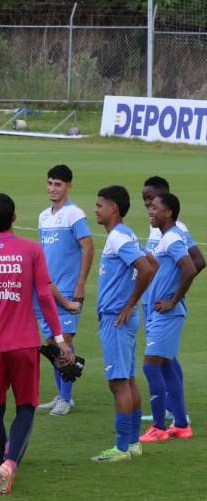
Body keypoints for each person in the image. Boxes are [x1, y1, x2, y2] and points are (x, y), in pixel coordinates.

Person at [0, 194, 74, 495]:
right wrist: (59, 339)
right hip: (24, 344)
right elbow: (44, 296)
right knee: (25, 407)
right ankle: (10, 464)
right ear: (15, 217)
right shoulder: (31, 250)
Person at [91, 186, 156, 463]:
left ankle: (121, 447)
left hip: (117, 318)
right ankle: (133, 443)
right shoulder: (125, 234)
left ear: (113, 208)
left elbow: (147, 268)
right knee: (127, 380)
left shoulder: (118, 237)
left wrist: (128, 304)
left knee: (118, 384)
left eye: (99, 205)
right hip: (123, 317)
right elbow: (151, 260)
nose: (96, 209)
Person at [140, 177, 204, 426]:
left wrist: (175, 295)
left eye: (152, 200)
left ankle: (175, 415)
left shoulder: (178, 230)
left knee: (161, 359)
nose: (148, 206)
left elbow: (196, 262)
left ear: (165, 202)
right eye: (146, 200)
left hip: (164, 305)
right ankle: (173, 413)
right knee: (164, 357)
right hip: (151, 302)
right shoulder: (156, 229)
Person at [36, 165, 94, 416]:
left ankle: (66, 398)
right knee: (52, 343)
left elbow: (88, 248)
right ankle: (62, 395)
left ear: (68, 186)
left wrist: (80, 284)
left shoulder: (74, 214)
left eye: (58, 184)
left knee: (64, 342)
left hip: (68, 290)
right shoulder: (43, 217)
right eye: (50, 183)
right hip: (48, 290)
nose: (52, 188)